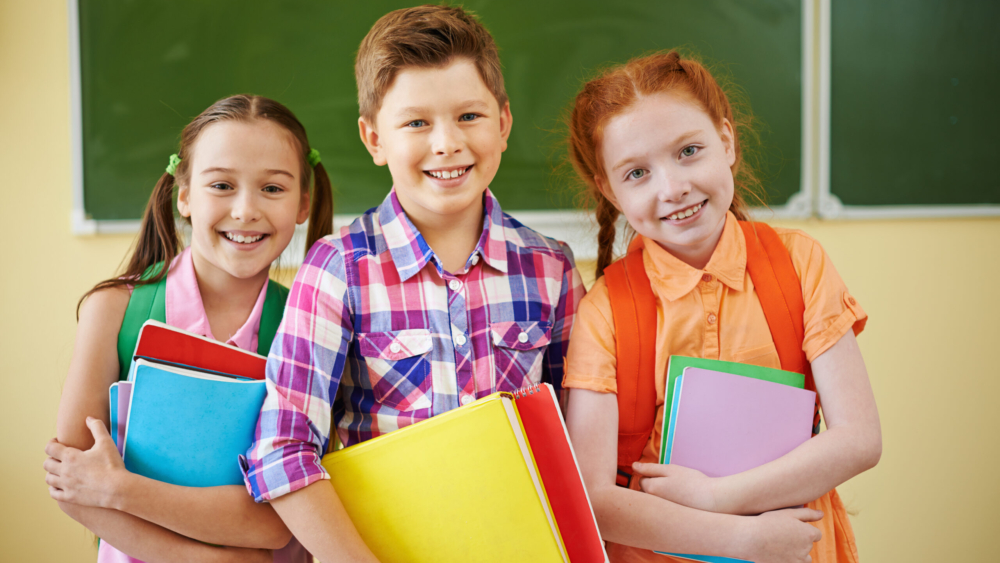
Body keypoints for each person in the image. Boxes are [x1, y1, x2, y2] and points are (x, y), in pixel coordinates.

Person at [239, 5, 585, 561]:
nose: (446, 143)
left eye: (469, 116)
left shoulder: (551, 268)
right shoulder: (338, 268)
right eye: (417, 123)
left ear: (503, 124)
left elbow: (578, 448)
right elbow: (281, 449)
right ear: (374, 138)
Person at [562, 51, 882, 563]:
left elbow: (859, 438)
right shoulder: (604, 311)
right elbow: (594, 499)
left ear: (727, 142)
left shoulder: (799, 263)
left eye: (688, 151)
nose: (673, 188)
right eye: (637, 173)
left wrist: (717, 497)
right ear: (610, 191)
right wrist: (741, 538)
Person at [43, 94, 334, 563]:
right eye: (221, 185)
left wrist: (118, 488)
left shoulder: (314, 323)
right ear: (184, 196)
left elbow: (277, 522)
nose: (245, 210)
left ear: (303, 203)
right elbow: (72, 482)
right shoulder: (113, 311)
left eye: (272, 188)